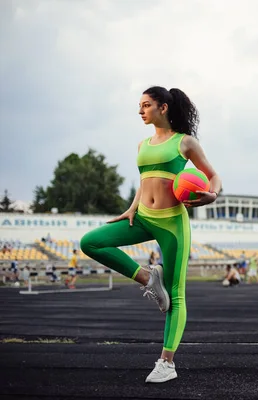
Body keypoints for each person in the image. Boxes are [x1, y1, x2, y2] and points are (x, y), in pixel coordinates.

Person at [80, 86, 222, 384]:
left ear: (164, 107)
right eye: (140, 106)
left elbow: (213, 175)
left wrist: (212, 195)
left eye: (146, 105)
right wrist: (131, 208)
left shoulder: (185, 143)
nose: (140, 110)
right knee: (90, 242)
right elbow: (144, 182)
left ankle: (166, 363)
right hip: (143, 216)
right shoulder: (142, 144)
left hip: (171, 223)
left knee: (177, 295)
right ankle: (147, 278)